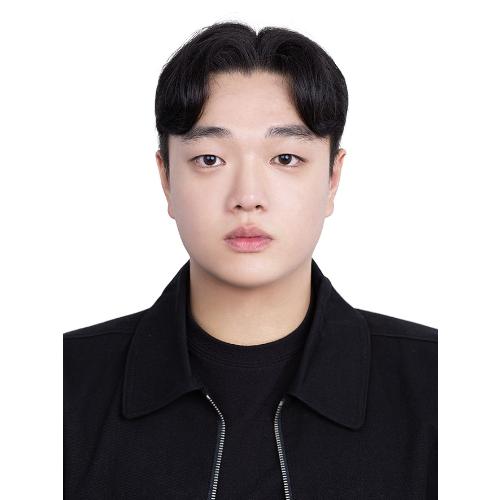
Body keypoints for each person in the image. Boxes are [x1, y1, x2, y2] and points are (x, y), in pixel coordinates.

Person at [63, 21, 437, 499]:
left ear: (332, 178)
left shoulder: (439, 385)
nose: (248, 196)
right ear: (166, 179)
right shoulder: (62, 386)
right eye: (210, 159)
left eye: (285, 158)